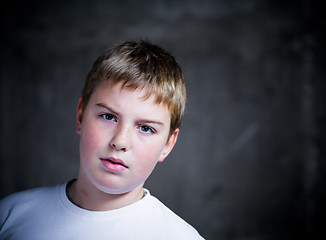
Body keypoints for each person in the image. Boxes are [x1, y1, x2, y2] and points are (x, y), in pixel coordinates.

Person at [0, 41, 204, 239]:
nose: (120, 141)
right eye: (108, 117)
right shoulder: (10, 215)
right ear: (80, 116)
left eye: (145, 128)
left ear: (168, 144)